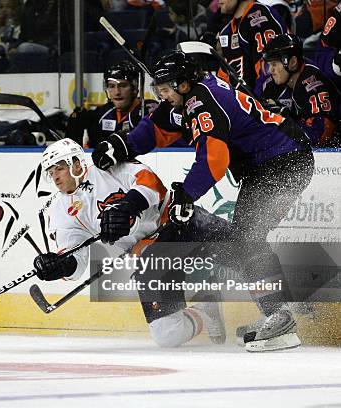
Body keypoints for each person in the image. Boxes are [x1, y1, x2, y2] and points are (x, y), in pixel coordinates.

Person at [92, 51, 315, 352]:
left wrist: (186, 194)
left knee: (248, 239)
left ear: (184, 84)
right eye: (159, 91)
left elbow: (214, 159)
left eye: (167, 89)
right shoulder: (189, 97)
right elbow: (158, 126)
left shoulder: (202, 101)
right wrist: (123, 145)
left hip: (284, 161)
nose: (164, 96)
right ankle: (280, 310)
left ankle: (280, 316)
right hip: (270, 162)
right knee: (244, 239)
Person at [33, 138, 229, 349]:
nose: (55, 177)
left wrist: (127, 207)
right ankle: (205, 310)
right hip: (151, 256)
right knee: (167, 335)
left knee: (247, 251)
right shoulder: (61, 212)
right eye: (51, 172)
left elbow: (151, 182)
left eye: (59, 168)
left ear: (76, 163)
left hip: (179, 224)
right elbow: (76, 263)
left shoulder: (105, 167)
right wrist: (60, 266)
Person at [261, 34, 340, 147]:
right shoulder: (274, 84)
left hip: (331, 156)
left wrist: (284, 119)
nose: (270, 70)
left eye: (274, 64)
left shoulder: (313, 84)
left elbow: (321, 136)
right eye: (269, 64)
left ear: (292, 62)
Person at [66, 61, 160, 148]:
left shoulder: (148, 110)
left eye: (123, 86)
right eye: (111, 86)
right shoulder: (102, 114)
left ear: (134, 88)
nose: (117, 92)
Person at [217, 0, 287, 94]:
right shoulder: (227, 30)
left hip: (264, 103)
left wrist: (257, 104)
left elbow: (269, 72)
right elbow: (224, 76)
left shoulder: (260, 17)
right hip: (242, 102)